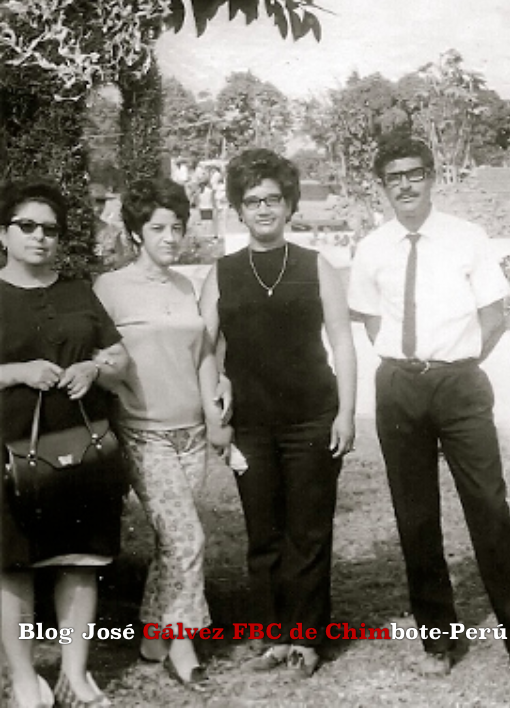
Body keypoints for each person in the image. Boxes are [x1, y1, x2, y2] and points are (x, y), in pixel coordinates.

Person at [348, 133, 510, 675]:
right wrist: (412, 361)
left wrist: (456, 361)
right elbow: (373, 319)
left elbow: (494, 316)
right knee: (415, 514)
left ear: (432, 178)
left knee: (489, 506)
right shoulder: (372, 247)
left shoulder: (466, 237)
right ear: (382, 187)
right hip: (399, 386)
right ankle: (438, 640)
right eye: (393, 178)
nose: (405, 185)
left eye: (414, 174)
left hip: (460, 385)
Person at [200, 149, 357, 677]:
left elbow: (343, 342)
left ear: (289, 205)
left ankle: (308, 638)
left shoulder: (317, 266)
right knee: (263, 531)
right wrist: (216, 410)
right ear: (239, 210)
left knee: (308, 531)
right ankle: (273, 633)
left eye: (273, 198)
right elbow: (204, 349)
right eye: (252, 201)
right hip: (250, 424)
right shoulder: (222, 273)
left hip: (313, 416)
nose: (264, 208)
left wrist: (347, 413)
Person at [94, 180, 231, 690]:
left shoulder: (183, 286)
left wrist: (214, 413)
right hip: (143, 433)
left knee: (172, 541)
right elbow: (98, 357)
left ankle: (153, 633)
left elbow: (202, 354)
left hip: (190, 431)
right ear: (136, 233)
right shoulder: (110, 289)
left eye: (177, 227)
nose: (171, 237)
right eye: (158, 228)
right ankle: (183, 642)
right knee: (187, 537)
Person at [0, 181, 129, 708]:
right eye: (27, 226)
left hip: (81, 448)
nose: (40, 237)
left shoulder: (78, 292)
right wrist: (17, 372)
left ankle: (74, 675)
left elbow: (120, 359)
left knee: (80, 561)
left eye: (50, 229)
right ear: (3, 234)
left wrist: (94, 368)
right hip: (11, 453)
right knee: (12, 565)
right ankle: (23, 678)